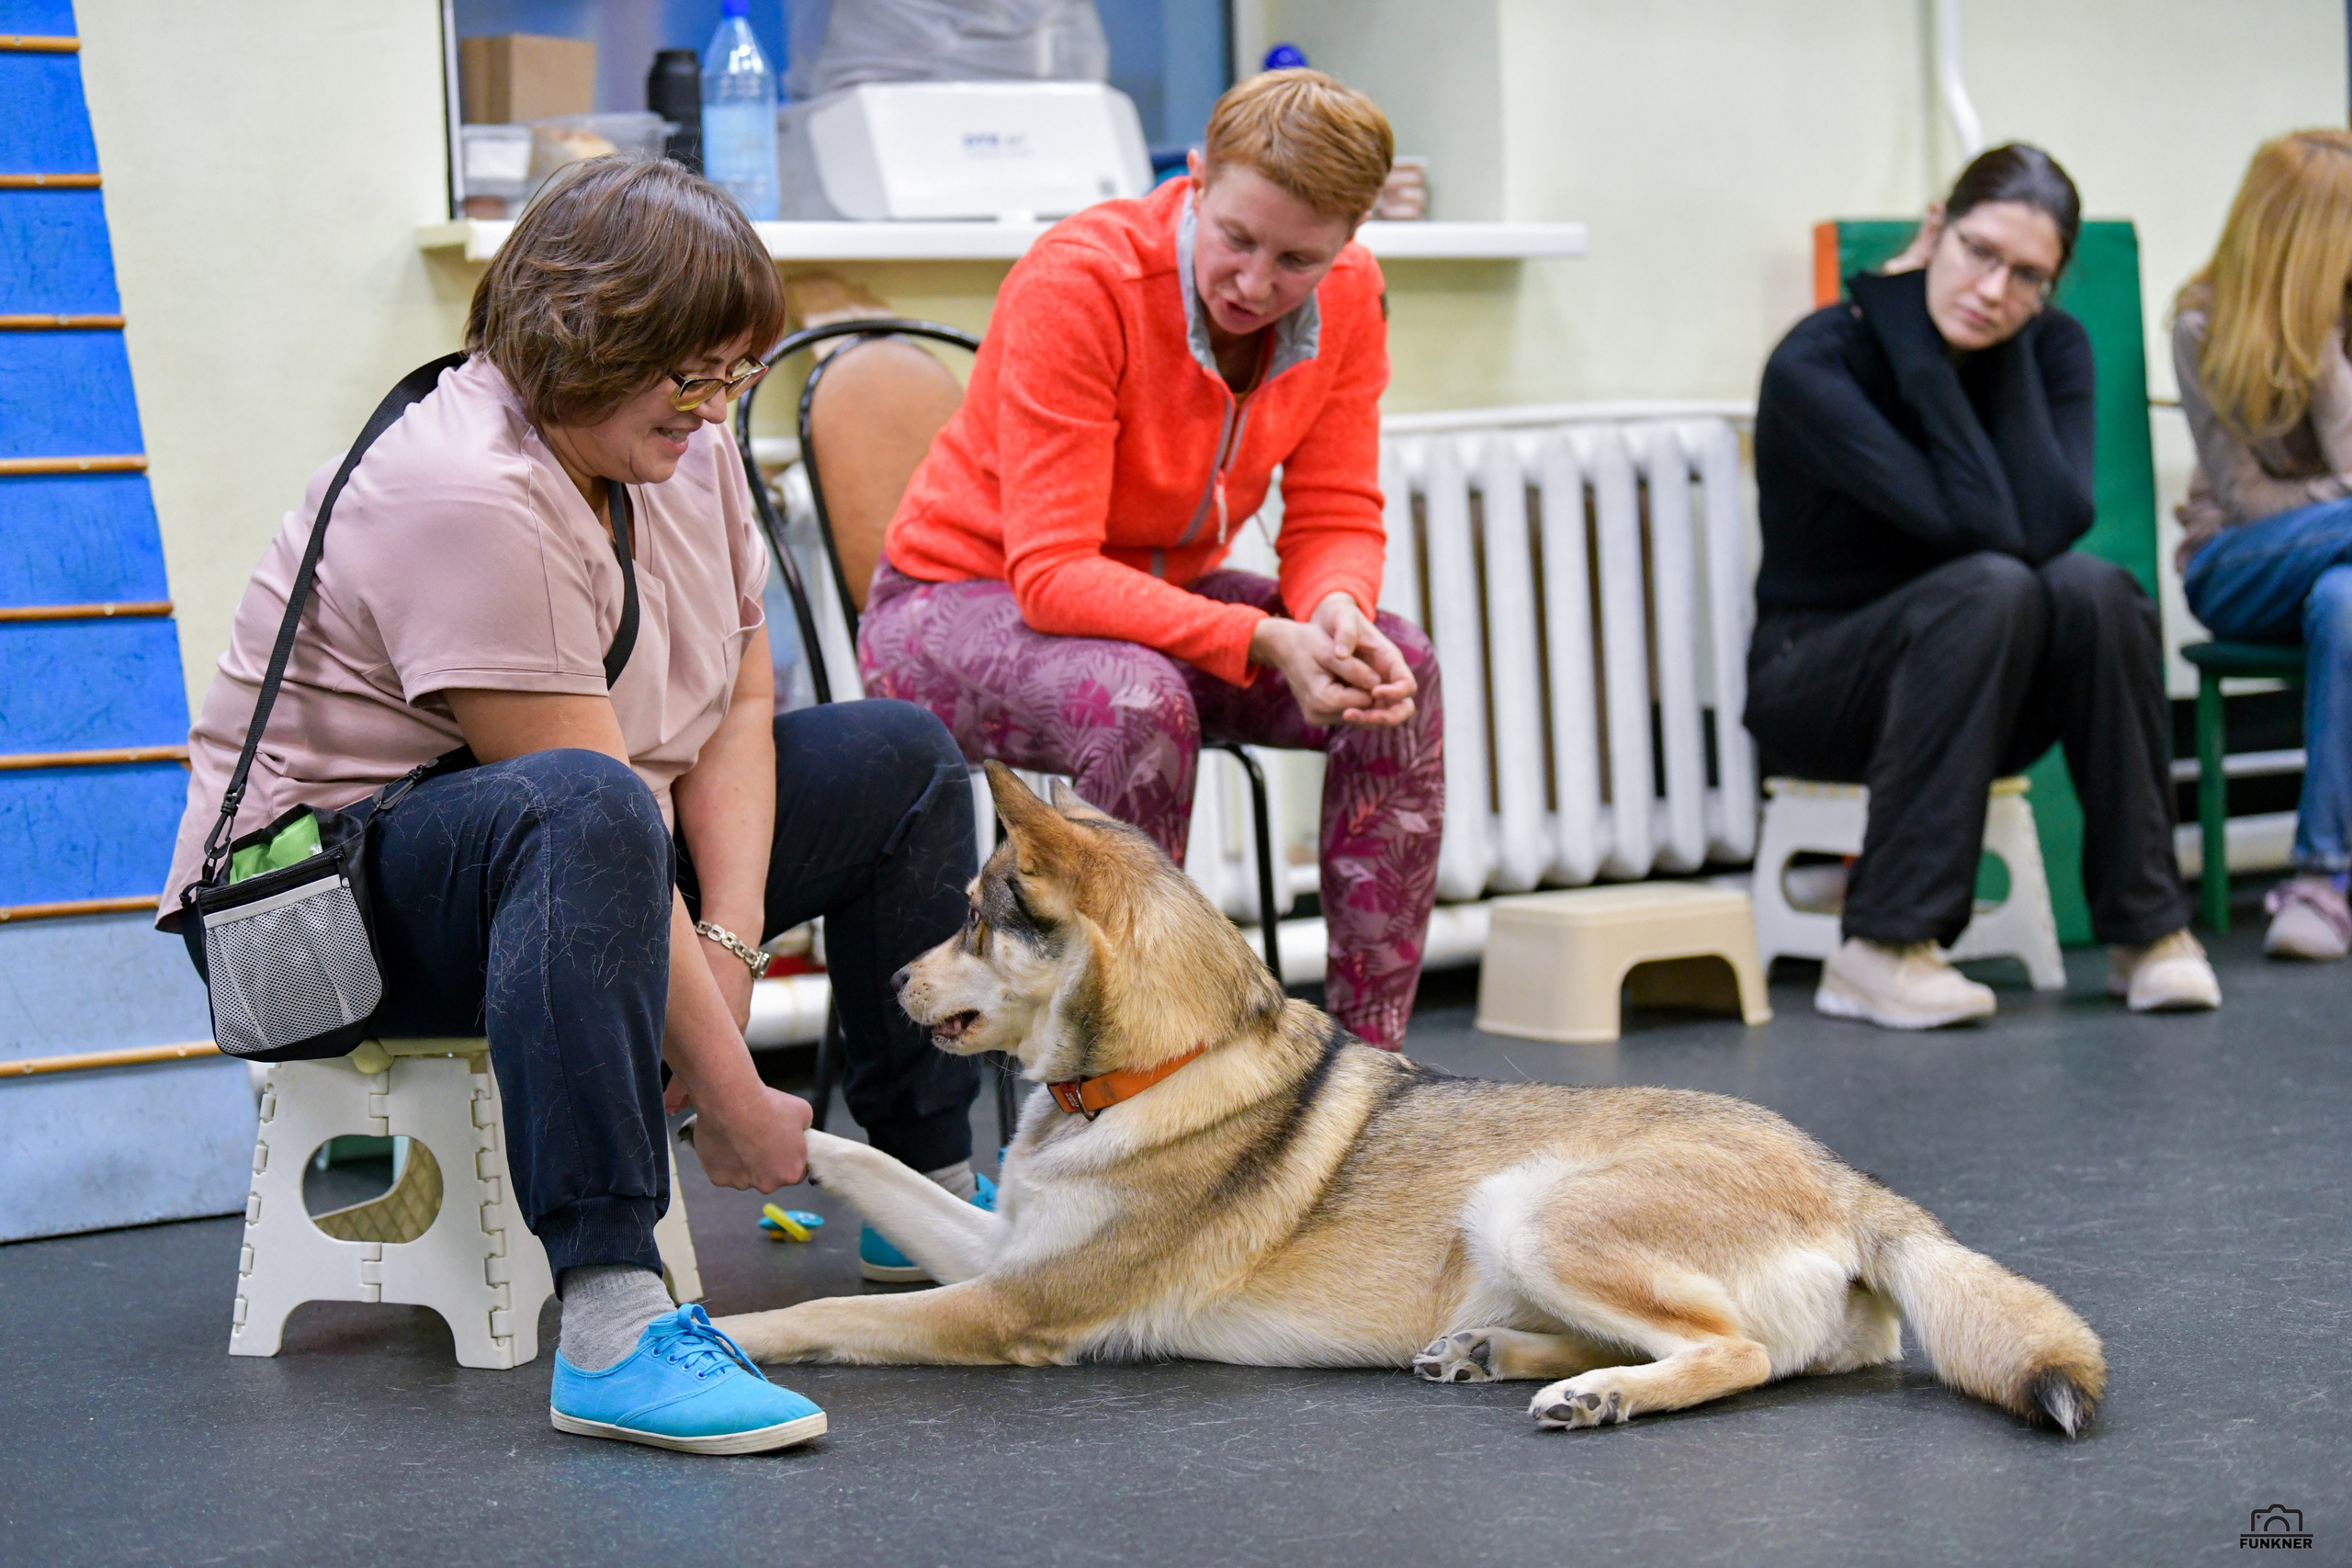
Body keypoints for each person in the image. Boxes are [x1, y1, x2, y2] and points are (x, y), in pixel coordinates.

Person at [161, 158, 985, 1453]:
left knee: (901, 753)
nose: (715, 410)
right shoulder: (462, 491)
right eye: (691, 377)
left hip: (566, 843)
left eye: (732, 376)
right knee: (584, 804)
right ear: (584, 339)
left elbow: (739, 697)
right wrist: (732, 1093)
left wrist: (728, 951)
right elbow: (583, 799)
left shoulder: (675, 448)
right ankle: (610, 1322)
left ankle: (925, 1195)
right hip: (320, 916)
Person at [857, 69, 1442, 1048]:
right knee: (1138, 703)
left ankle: (1368, 1071)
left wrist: (1336, 609)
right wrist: (1262, 637)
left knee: (1396, 670)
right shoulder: (1080, 280)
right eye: (1237, 239)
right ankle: (1116, 1073)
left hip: (1157, 605)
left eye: (1298, 259)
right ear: (1196, 179)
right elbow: (1052, 573)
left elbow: (1334, 508)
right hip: (949, 604)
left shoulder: (1352, 295)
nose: (1255, 284)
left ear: (1351, 237)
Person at [1746, 142, 2219, 1029]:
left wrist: (2001, 356)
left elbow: (2051, 523)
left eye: (2028, 276)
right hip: (1815, 684)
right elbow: (1974, 529)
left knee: (2096, 590)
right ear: (1936, 229)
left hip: (1977, 678)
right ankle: (1879, 948)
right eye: (1980, 253)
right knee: (1991, 584)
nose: (1995, 290)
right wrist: (1916, 349)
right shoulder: (1819, 363)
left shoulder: (2051, 347)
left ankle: (2149, 931)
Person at [2174, 130, 2352, 961]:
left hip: (2335, 574)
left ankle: (2321, 880)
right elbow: (2245, 502)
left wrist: (2328, 357)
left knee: (2346, 603)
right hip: (2238, 566)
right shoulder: (2202, 324)